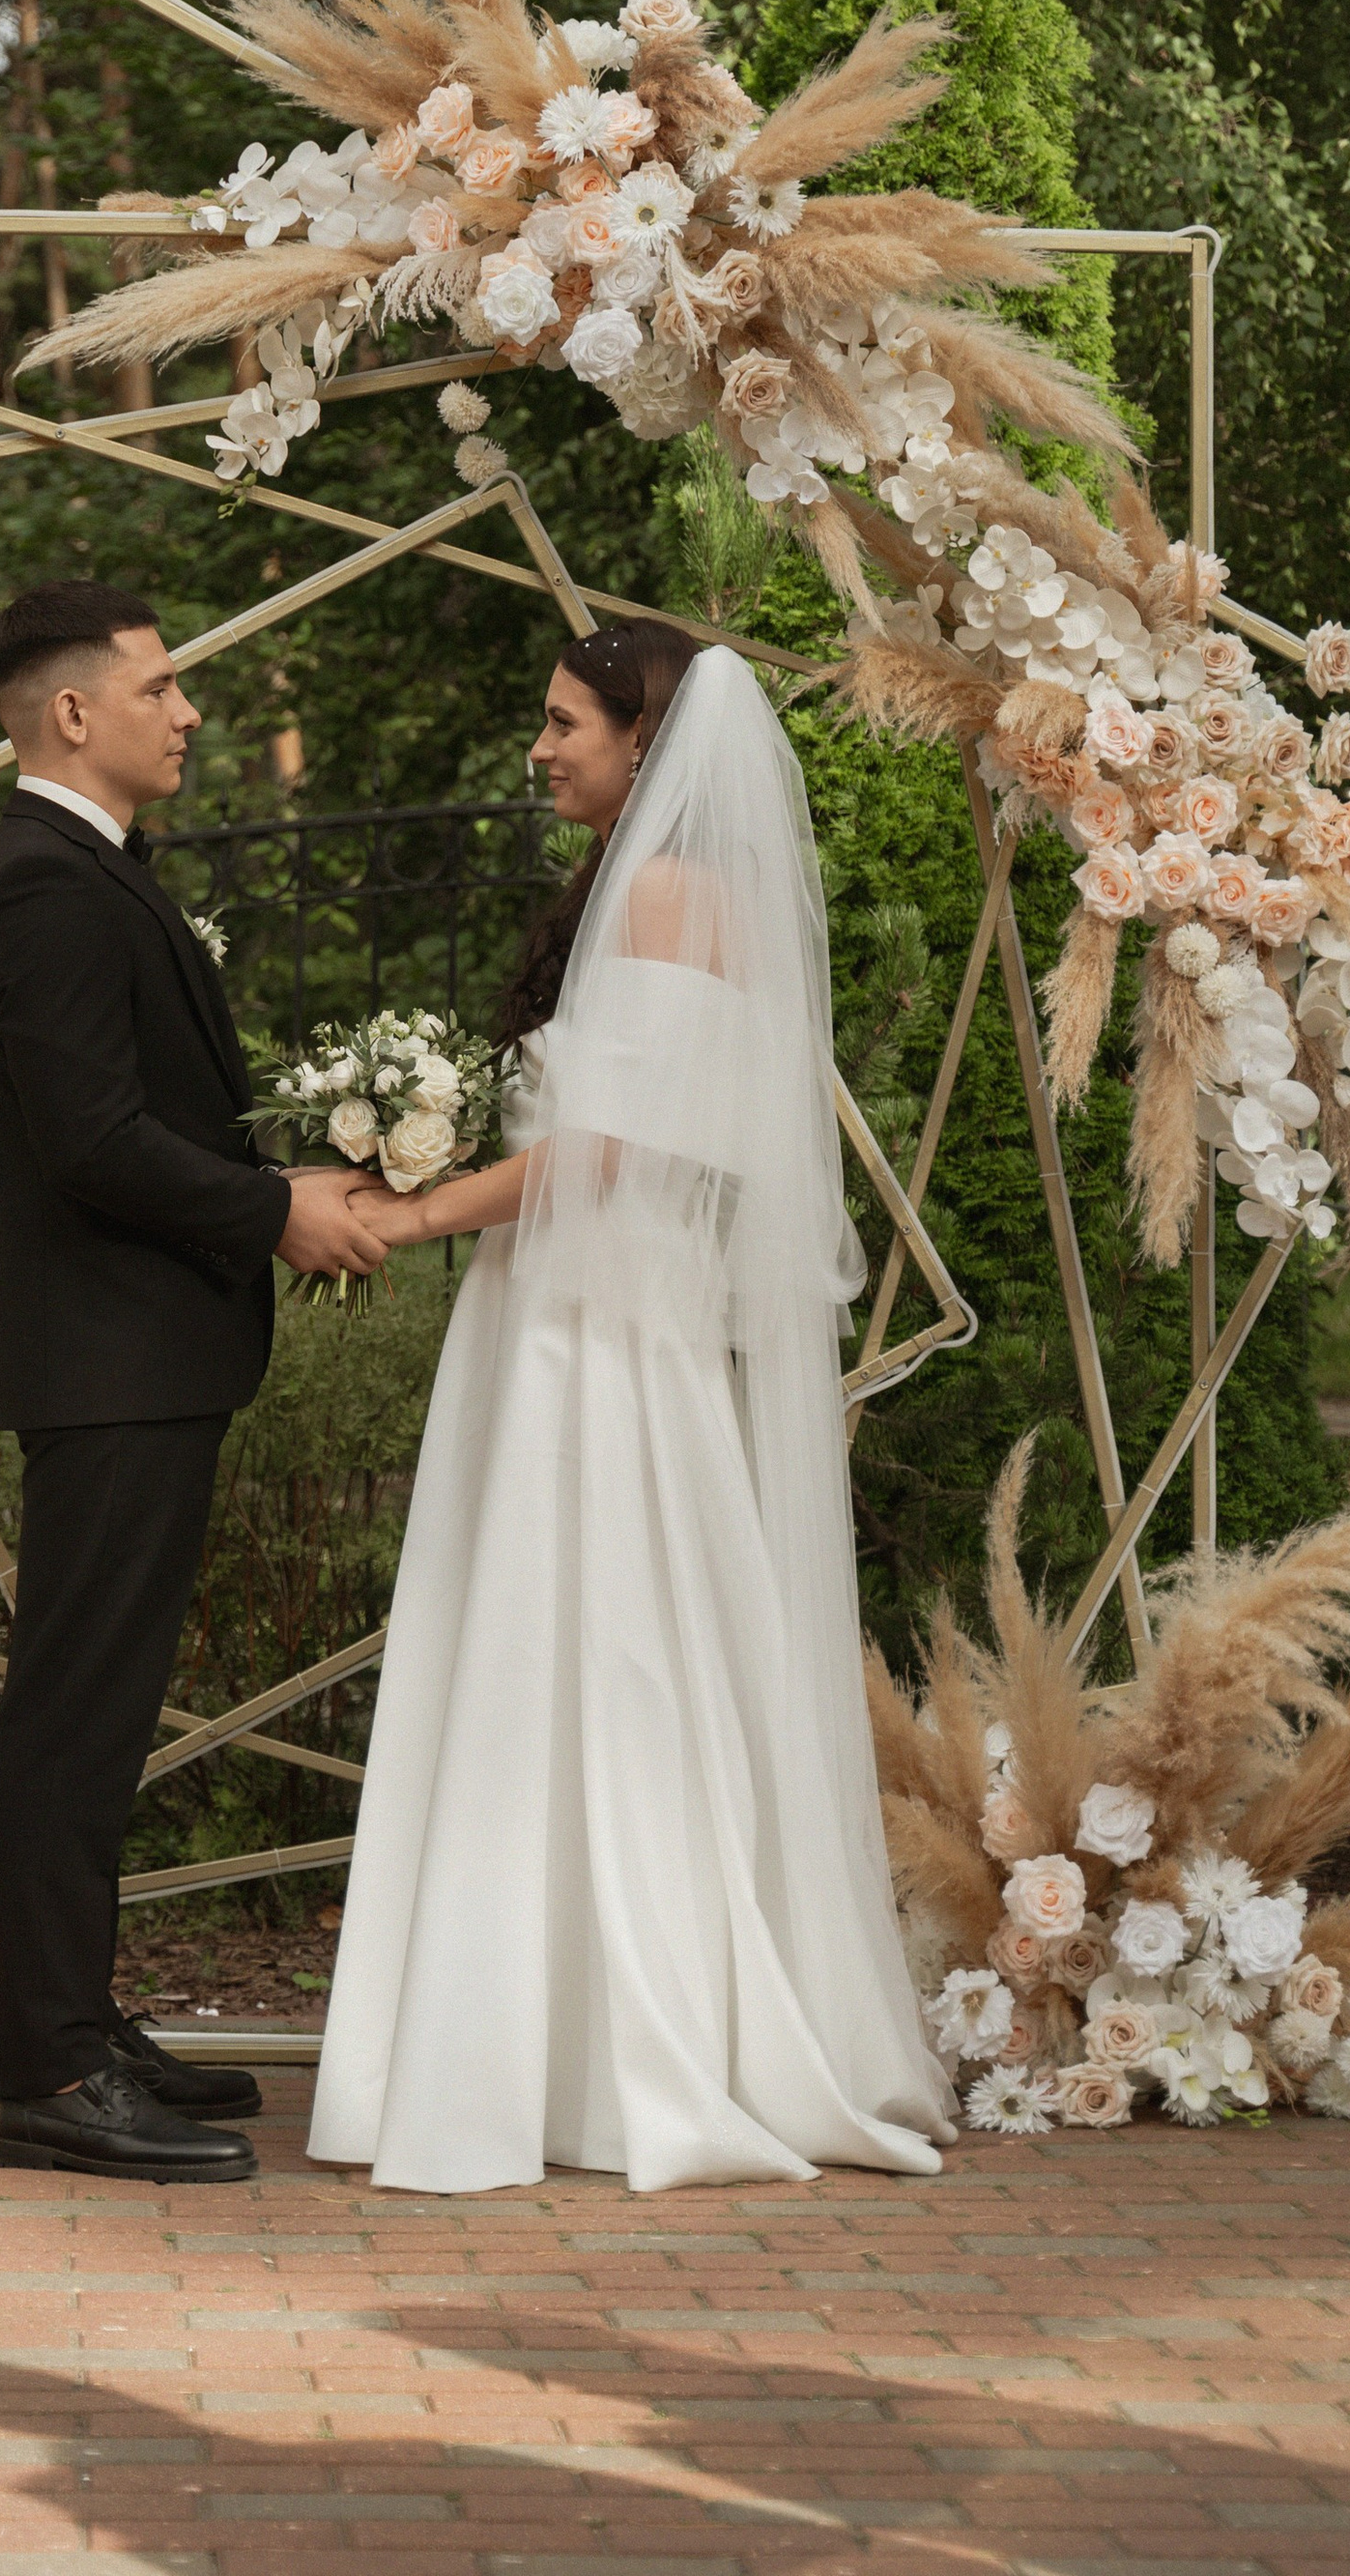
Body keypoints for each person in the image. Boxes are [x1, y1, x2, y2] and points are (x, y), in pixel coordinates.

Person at [308, 618, 958, 2195]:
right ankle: (580, 2036)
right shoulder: (651, 891)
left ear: (642, 739)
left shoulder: (668, 895)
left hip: (588, 1332)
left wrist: (408, 1207)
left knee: (582, 1649)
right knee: (611, 1651)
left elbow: (610, 1152)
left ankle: (576, 2048)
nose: (542, 749)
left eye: (564, 724)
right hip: (582, 1313)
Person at [0, 579, 387, 2184]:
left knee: (101, 1707)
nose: (189, 712)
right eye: (163, 683)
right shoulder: (47, 889)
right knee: (73, 1712)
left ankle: (80, 2020)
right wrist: (279, 1211)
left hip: (142, 1356)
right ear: (75, 712)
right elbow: (94, 1142)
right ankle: (49, 2072)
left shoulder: (84, 871)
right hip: (111, 1360)